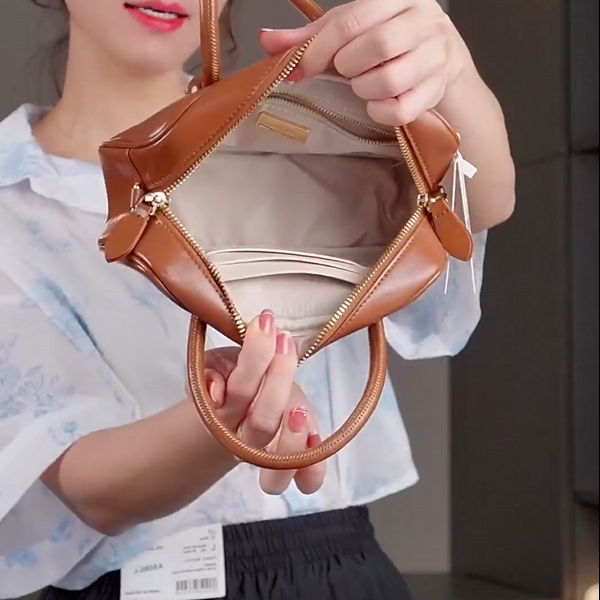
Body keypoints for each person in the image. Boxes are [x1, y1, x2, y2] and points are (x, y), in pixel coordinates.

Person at [0, 0, 515, 598]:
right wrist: (224, 419)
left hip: (346, 573)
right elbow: (90, 486)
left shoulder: (307, 111)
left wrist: (450, 68)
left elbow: (476, 202)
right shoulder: (10, 203)